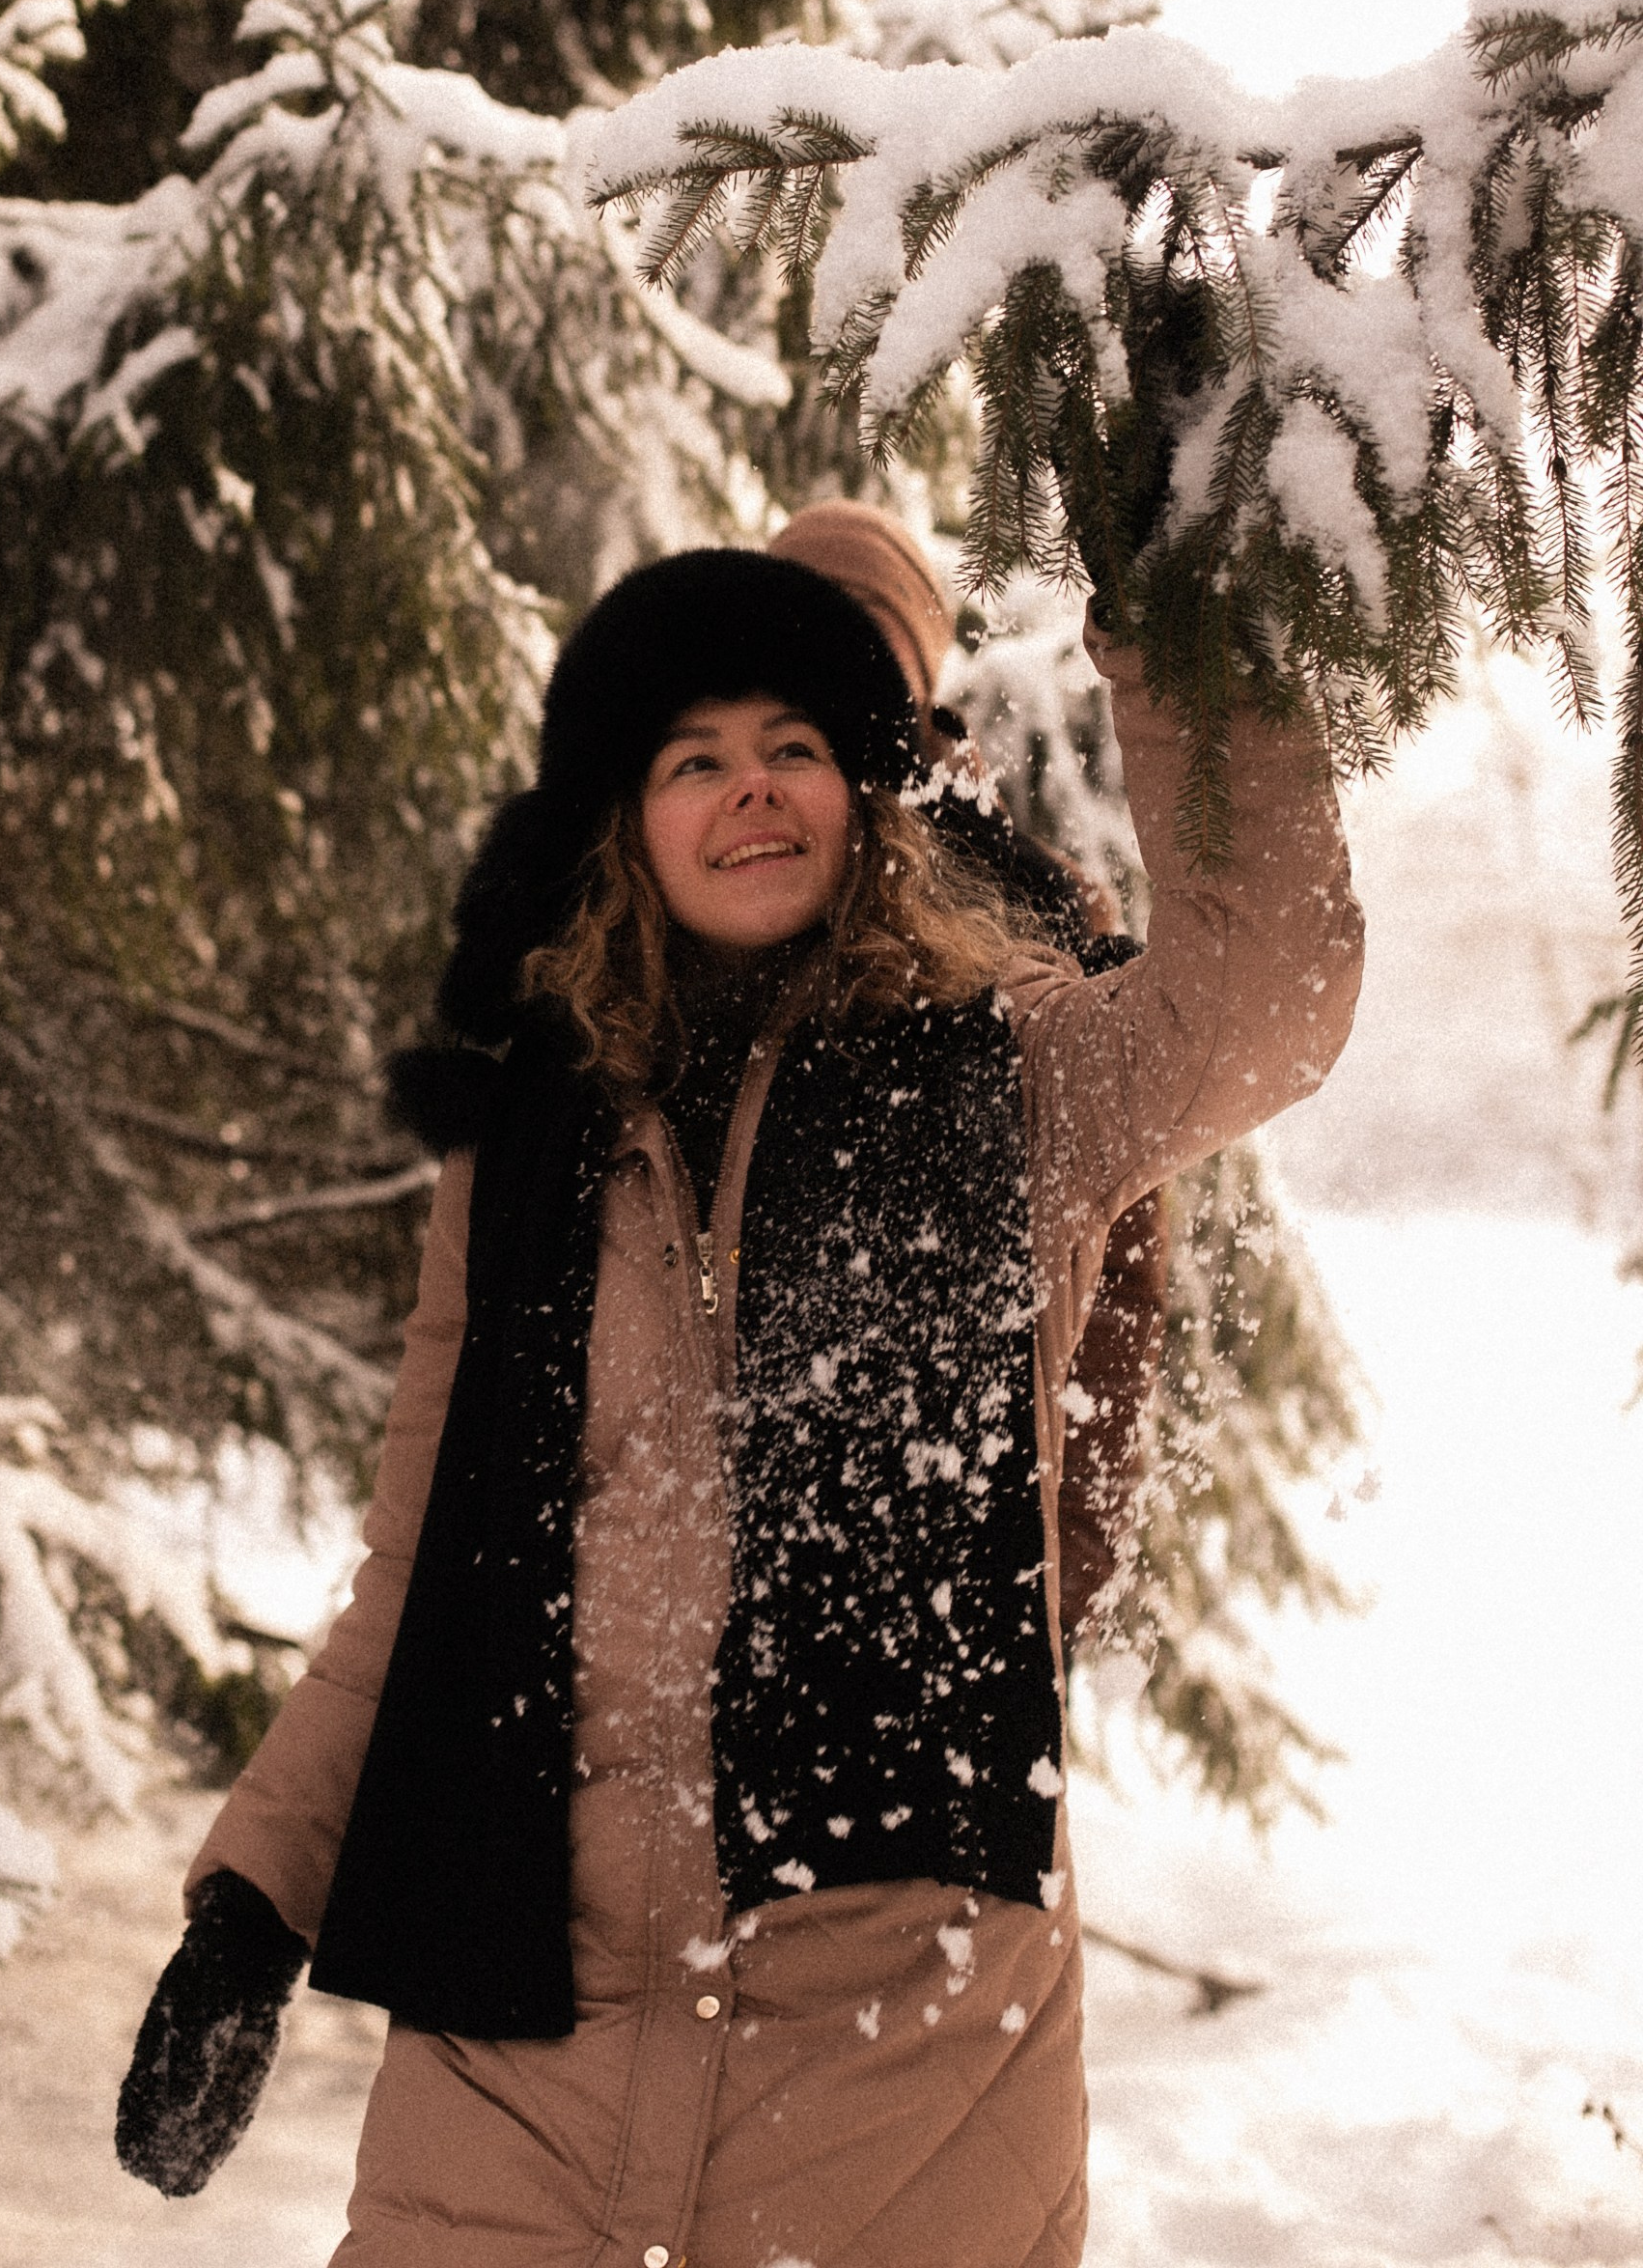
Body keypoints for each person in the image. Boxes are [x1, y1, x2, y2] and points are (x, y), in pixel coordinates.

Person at [117, 548, 1363, 2267]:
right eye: (693, 758)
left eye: (793, 746)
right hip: (519, 2025)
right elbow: (417, 1576)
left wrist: (1184, 615)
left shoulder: (1014, 1079)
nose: (750, 788)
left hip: (896, 2048)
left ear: (866, 795)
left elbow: (1271, 993)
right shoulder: (520, 1149)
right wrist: (254, 1905)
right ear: (628, 822)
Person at [766, 499, 1167, 1655]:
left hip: (958, 1546)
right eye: (792, 633)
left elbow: (1121, 1252)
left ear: (916, 672)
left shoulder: (1033, 902)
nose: (827, 673)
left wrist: (1069, 1550)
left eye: (861, 640)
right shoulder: (705, 872)